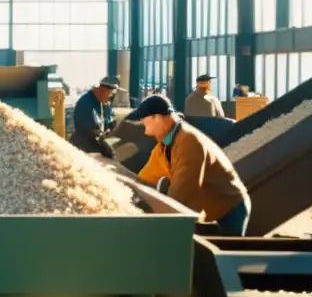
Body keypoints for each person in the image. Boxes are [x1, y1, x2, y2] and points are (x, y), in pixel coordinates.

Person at [126, 95, 250, 236]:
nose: (144, 127)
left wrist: (159, 224)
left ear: (157, 117)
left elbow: (182, 193)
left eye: (144, 120)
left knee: (223, 253)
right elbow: (145, 179)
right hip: (209, 208)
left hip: (228, 209)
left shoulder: (189, 143)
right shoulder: (165, 146)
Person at [70, 76, 119, 159]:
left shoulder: (105, 104)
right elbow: (89, 129)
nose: (110, 96)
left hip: (99, 139)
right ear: (102, 90)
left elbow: (110, 121)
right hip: (84, 142)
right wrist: (103, 141)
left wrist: (112, 126)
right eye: (109, 93)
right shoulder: (85, 103)